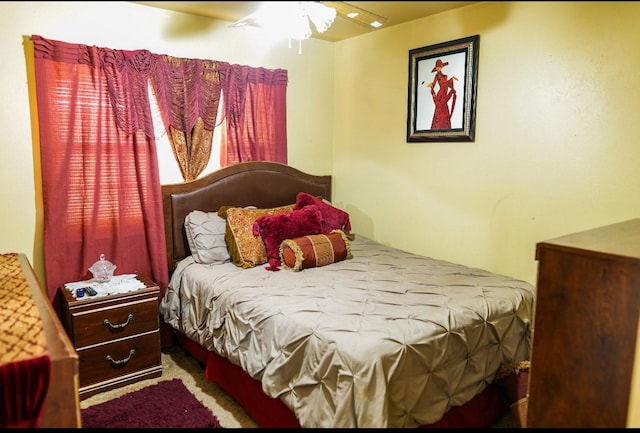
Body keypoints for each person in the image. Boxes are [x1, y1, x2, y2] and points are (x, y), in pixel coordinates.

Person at [423, 59, 458, 129]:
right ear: (436, 68)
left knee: (444, 110)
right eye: (437, 67)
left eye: (439, 67)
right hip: (441, 94)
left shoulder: (445, 76)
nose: (438, 68)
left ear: (442, 67)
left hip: (444, 93)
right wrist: (431, 85)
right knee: (439, 109)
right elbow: (434, 84)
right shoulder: (437, 76)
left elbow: (447, 83)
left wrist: (452, 79)